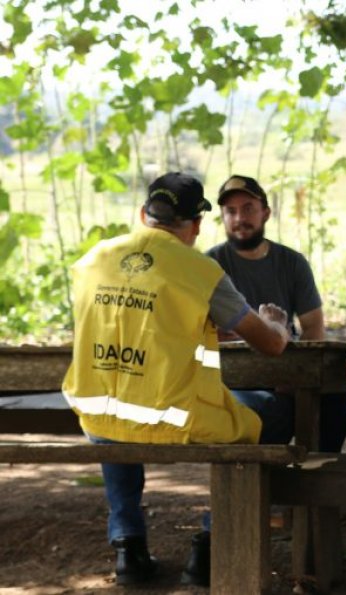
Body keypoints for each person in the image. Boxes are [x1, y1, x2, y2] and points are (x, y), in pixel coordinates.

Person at [61, 172, 292, 587]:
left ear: (143, 214)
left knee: (116, 428)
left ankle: (127, 546)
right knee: (271, 412)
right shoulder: (199, 271)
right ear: (197, 225)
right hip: (173, 418)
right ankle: (210, 539)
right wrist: (276, 324)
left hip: (96, 412)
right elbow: (270, 346)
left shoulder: (93, 259)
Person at [207, 174, 346, 451]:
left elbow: (313, 328)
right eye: (231, 211)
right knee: (267, 409)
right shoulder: (209, 264)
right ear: (223, 217)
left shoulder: (292, 263)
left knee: (339, 395)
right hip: (233, 377)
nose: (240, 218)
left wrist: (294, 374)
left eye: (248, 208)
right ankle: (266, 481)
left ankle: (318, 472)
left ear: (266, 212)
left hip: (289, 368)